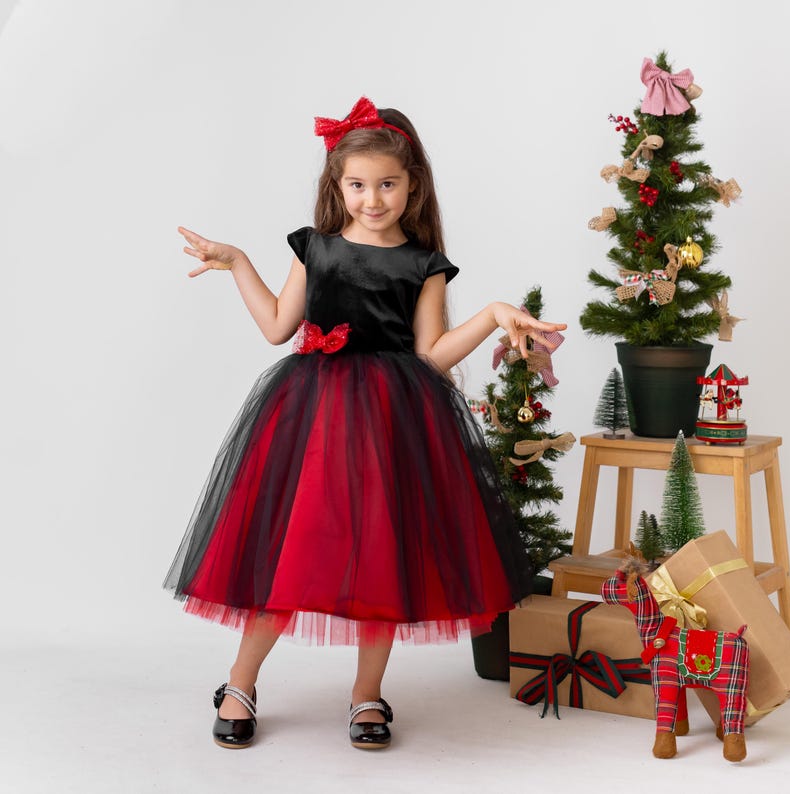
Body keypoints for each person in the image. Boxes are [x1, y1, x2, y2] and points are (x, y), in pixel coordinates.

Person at [164, 96, 567, 751]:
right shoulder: (315, 249)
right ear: (337, 186)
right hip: (310, 422)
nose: (373, 198)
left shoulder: (423, 265)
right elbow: (275, 328)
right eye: (358, 185)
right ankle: (241, 681)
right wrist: (238, 262)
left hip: (390, 423)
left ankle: (366, 694)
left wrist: (494, 314)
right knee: (288, 553)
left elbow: (432, 355)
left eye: (387, 184)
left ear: (412, 187)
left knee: (384, 558)